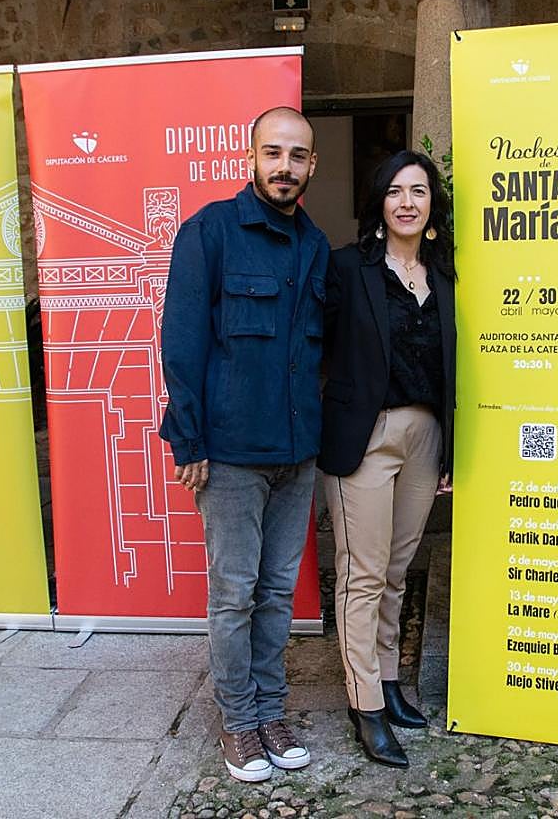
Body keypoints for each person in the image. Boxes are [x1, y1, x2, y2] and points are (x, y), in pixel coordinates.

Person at [159, 105, 329, 783]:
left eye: (297, 155)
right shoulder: (209, 232)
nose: (285, 166)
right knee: (234, 593)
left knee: (279, 593)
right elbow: (181, 343)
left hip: (298, 452)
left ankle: (269, 711)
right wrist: (190, 439)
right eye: (273, 153)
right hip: (229, 454)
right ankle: (238, 722)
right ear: (250, 158)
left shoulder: (315, 245)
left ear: (312, 165)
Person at [319, 149, 456, 768]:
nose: (407, 202)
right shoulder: (348, 268)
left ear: (432, 205)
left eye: (418, 191)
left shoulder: (443, 275)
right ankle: (365, 703)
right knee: (364, 573)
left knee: (397, 571)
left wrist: (450, 448)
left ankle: (389, 680)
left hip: (425, 436)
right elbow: (316, 345)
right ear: (379, 201)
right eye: (396, 190)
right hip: (366, 436)